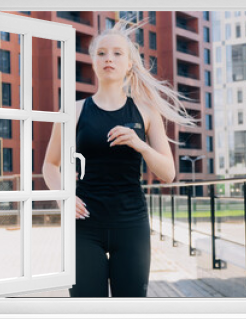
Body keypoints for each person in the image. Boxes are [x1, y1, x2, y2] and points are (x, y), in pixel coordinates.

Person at [42, 17, 197, 297]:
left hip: (131, 224)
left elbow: (168, 173)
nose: (108, 59)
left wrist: (141, 145)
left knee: (131, 306)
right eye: (101, 53)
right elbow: (49, 165)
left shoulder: (147, 112)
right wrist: (63, 196)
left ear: (129, 64)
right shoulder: (73, 111)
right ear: (94, 63)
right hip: (85, 224)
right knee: (87, 308)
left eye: (117, 53)